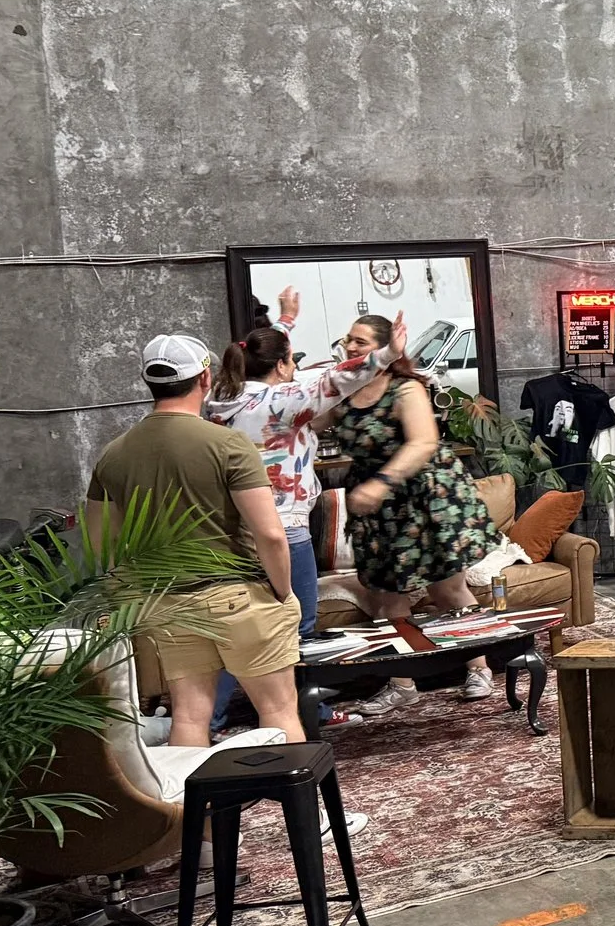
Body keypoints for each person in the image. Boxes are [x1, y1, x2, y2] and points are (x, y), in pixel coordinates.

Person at [84, 335, 309, 748]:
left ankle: (193, 814)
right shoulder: (226, 444)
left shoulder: (113, 455)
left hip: (167, 604)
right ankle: (303, 814)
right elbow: (271, 533)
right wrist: (283, 592)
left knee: (188, 716)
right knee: (276, 711)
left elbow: (102, 546)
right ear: (205, 378)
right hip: (240, 598)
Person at [204, 287, 403, 730]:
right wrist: (388, 352)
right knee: (297, 627)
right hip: (284, 530)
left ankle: (210, 720)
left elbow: (259, 355)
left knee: (237, 631)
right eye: (290, 360)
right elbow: (338, 379)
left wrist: (286, 321)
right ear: (279, 366)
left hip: (234, 531)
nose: (295, 368)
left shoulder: (219, 398)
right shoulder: (281, 402)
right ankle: (302, 714)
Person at [328, 311, 501, 698]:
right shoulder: (341, 392)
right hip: (380, 508)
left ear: (386, 348)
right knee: (388, 595)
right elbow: (309, 417)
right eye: (349, 340)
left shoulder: (405, 388)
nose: (351, 347)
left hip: (426, 497)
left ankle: (479, 669)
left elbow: (422, 443)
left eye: (361, 342)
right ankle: (402, 682)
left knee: (447, 590)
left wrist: (381, 483)